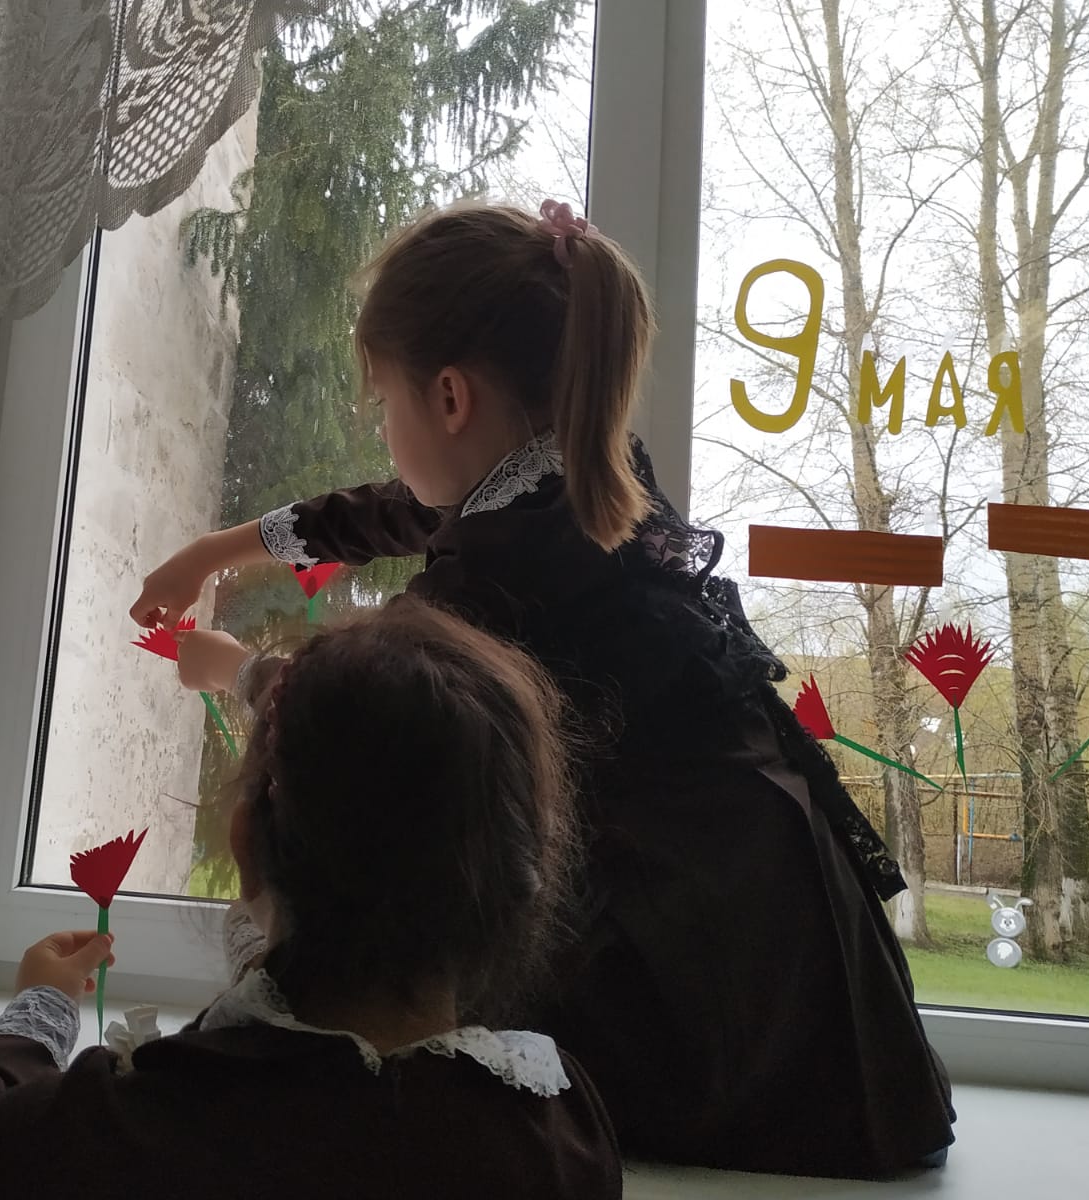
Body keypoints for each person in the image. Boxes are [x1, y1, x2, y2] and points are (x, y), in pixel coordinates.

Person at [132, 200, 956, 1178]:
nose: (381, 431)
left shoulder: (501, 571)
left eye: (382, 405)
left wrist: (229, 668)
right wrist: (216, 550)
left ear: (449, 397)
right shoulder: (570, 476)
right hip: (777, 918)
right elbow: (395, 509)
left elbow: (349, 708)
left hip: (694, 973)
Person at [0, 603, 622, 1200]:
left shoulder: (116, 1128)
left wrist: (34, 1019)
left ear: (244, 844)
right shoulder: (557, 1131)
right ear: (518, 878)